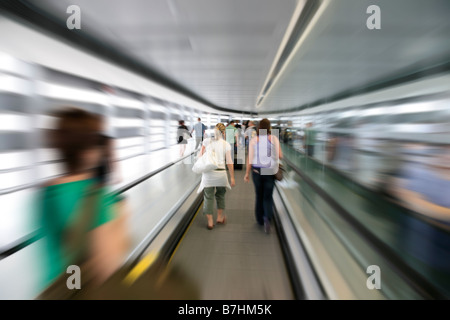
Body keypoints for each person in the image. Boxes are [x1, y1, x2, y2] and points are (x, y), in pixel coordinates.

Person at [37, 107, 129, 297]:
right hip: (83, 292)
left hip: (56, 290)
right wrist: (122, 218)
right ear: (87, 153)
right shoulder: (98, 198)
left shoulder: (45, 192)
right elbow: (108, 266)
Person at [244, 118, 283, 234]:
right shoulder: (274, 139)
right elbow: (280, 155)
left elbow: (250, 159)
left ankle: (260, 220)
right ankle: (267, 218)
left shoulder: (254, 140)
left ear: (258, 128)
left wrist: (246, 173)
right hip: (269, 171)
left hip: (256, 171)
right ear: (269, 128)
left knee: (259, 195)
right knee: (268, 196)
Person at [197, 123, 235, 230]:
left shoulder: (207, 141)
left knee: (208, 197)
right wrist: (232, 177)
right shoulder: (226, 144)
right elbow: (229, 162)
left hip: (209, 173)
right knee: (220, 195)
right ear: (224, 133)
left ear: (214, 131)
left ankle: (210, 222)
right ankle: (219, 217)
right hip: (221, 174)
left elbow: (200, 156)